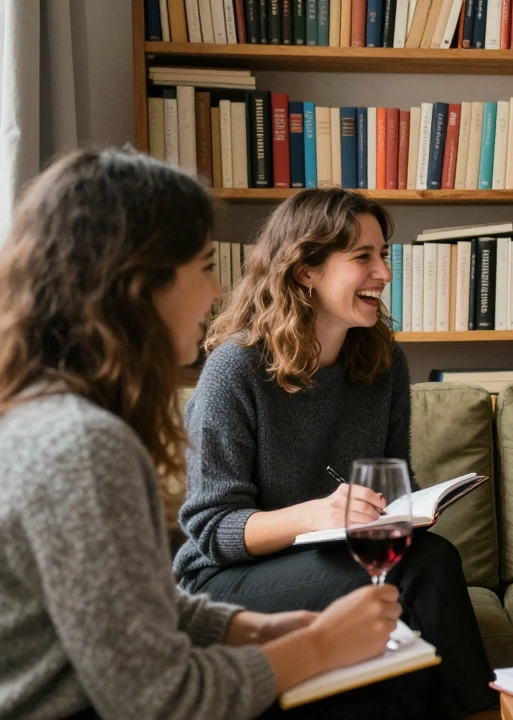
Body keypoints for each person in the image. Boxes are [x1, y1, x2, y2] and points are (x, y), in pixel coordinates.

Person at [0, 148, 433, 719]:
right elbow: (160, 696)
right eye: (204, 266)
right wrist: (319, 646)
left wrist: (260, 630)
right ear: (138, 284)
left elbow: (137, 613)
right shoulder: (84, 446)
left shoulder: (62, 423)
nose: (214, 293)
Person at [171, 187, 494, 717]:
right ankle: (483, 712)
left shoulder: (383, 363)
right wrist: (318, 513)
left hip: (331, 561)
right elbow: (212, 529)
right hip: (223, 578)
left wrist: (405, 513)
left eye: (383, 255)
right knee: (422, 570)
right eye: (362, 257)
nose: (383, 274)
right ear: (306, 271)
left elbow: (395, 482)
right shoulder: (237, 369)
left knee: (422, 567)